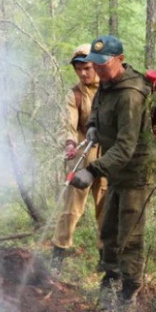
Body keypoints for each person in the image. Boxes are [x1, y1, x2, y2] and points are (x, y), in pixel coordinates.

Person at [69, 35, 156, 304]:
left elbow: (126, 146)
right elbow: (97, 106)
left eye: (102, 64)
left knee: (129, 234)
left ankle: (129, 292)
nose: (97, 69)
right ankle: (110, 278)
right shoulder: (107, 84)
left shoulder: (130, 95)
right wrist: (93, 125)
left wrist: (93, 170)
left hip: (135, 172)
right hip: (115, 170)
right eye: (94, 64)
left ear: (119, 59)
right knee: (108, 228)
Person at [51, 44, 107, 268]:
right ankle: (59, 254)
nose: (83, 73)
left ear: (96, 65)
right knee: (71, 208)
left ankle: (106, 260)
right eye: (79, 69)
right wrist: (70, 143)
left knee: (105, 208)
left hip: (107, 156)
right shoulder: (74, 94)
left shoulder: (110, 88)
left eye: (87, 68)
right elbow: (69, 124)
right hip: (82, 154)